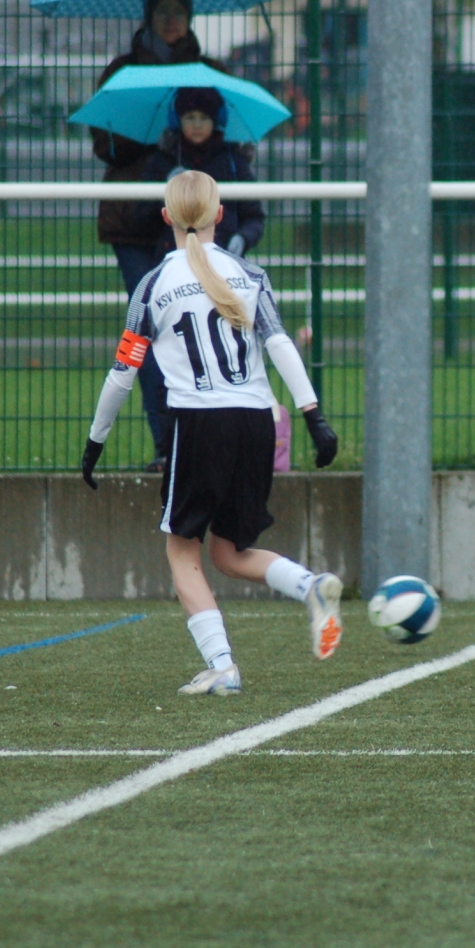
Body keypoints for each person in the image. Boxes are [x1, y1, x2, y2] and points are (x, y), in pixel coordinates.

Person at [81, 170, 343, 695]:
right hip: (256, 420)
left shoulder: (152, 284)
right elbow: (279, 343)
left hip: (200, 423)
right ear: (221, 215)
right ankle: (311, 586)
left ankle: (222, 666)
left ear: (165, 217)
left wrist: (95, 440)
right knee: (229, 553)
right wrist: (313, 416)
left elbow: (123, 373)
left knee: (182, 551)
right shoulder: (249, 274)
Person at [95, 0, 227, 471]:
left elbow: (226, 141)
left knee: (202, 325)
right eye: (163, 12)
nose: (172, 21)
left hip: (195, 222)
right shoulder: (122, 72)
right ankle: (165, 442)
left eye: (179, 13)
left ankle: (204, 435)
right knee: (149, 329)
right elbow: (104, 143)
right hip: (135, 222)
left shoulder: (209, 72)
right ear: (150, 17)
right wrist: (155, 142)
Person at [138, 86, 265, 256]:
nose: (197, 125)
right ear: (177, 120)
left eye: (204, 118)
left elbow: (253, 216)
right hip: (176, 255)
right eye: (190, 117)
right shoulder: (163, 161)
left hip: (223, 254)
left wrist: (243, 238)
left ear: (216, 120)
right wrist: (165, 194)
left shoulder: (233, 162)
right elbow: (142, 218)